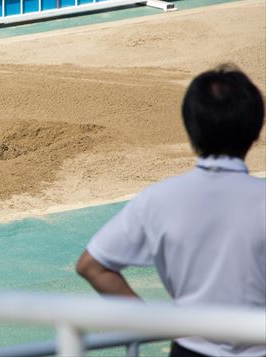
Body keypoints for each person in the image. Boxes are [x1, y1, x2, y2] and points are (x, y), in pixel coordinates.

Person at [76, 65, 265, 357]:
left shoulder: (159, 199)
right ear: (255, 131)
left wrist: (151, 323)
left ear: (191, 129)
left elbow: (92, 265)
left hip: (188, 350)